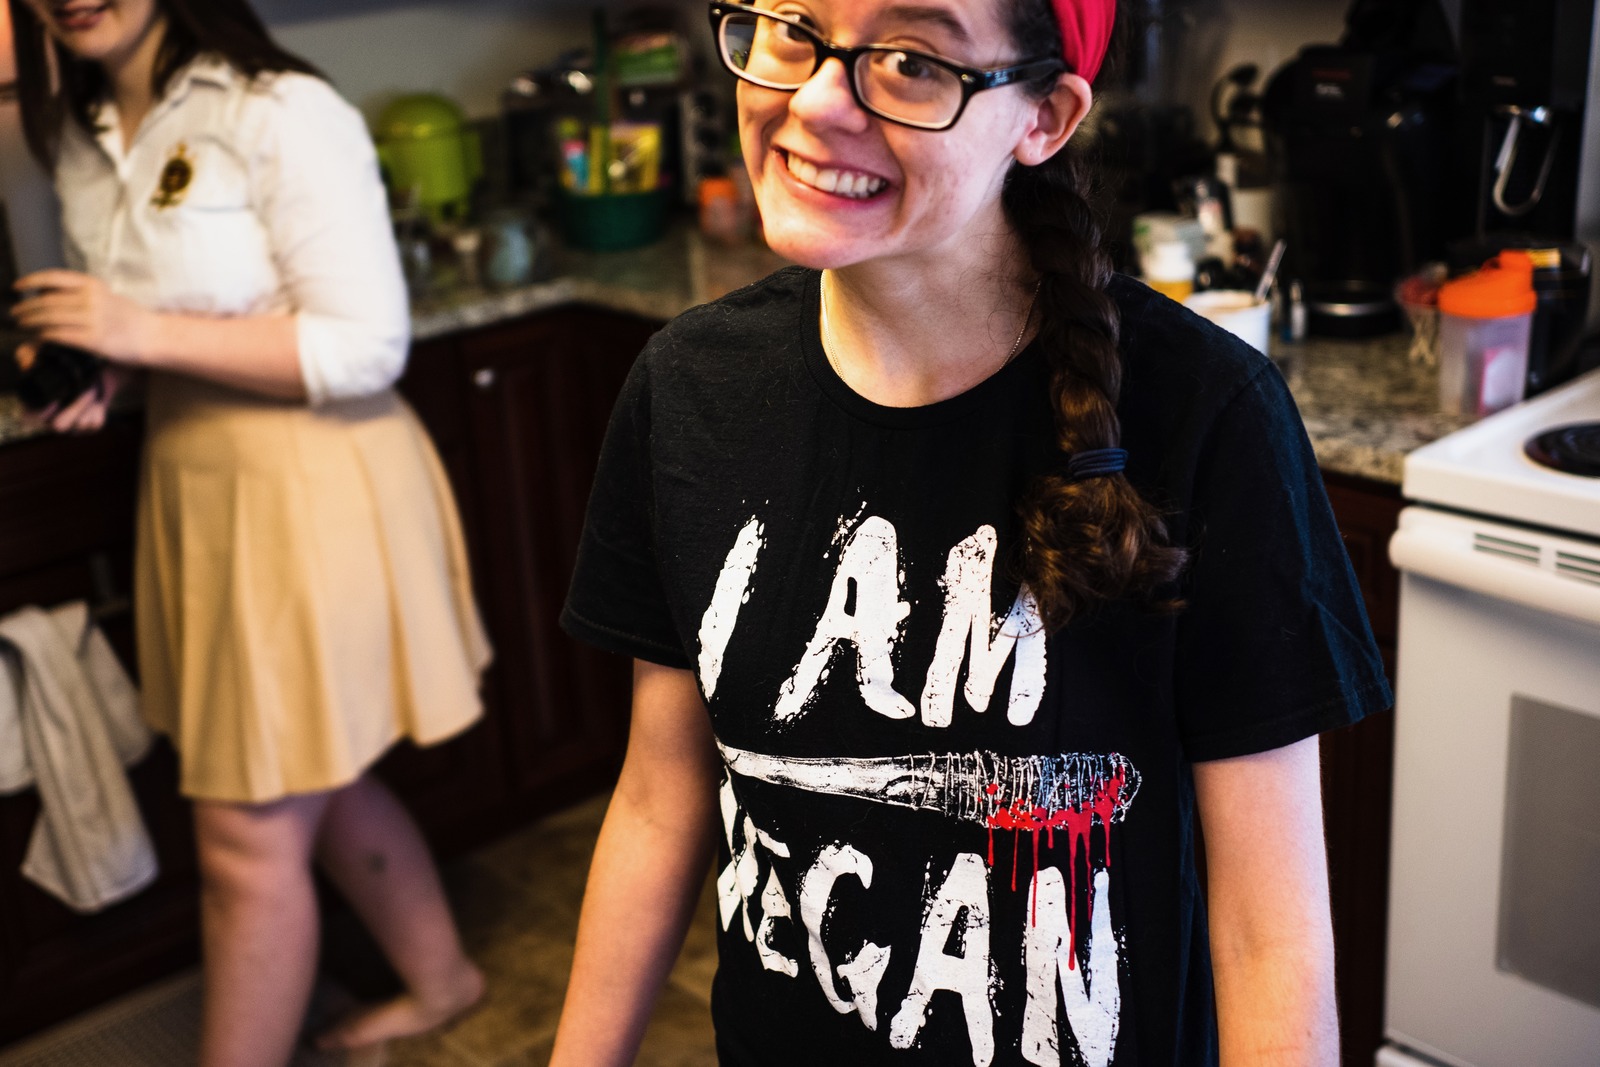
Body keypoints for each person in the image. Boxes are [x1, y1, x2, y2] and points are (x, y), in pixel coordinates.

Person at [552, 0, 1393, 1064]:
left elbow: (1268, 937)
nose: (815, 101)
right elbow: (659, 798)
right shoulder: (688, 389)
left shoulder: (1204, 415)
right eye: (790, 29)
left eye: (908, 61)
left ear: (1043, 116)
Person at [7, 1, 491, 1062]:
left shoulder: (282, 110)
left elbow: (368, 344)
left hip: (311, 483)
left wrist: (135, 329)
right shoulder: (79, 137)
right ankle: (444, 975)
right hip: (195, 483)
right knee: (320, 772)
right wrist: (114, 369)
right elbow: (184, 316)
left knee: (244, 839)